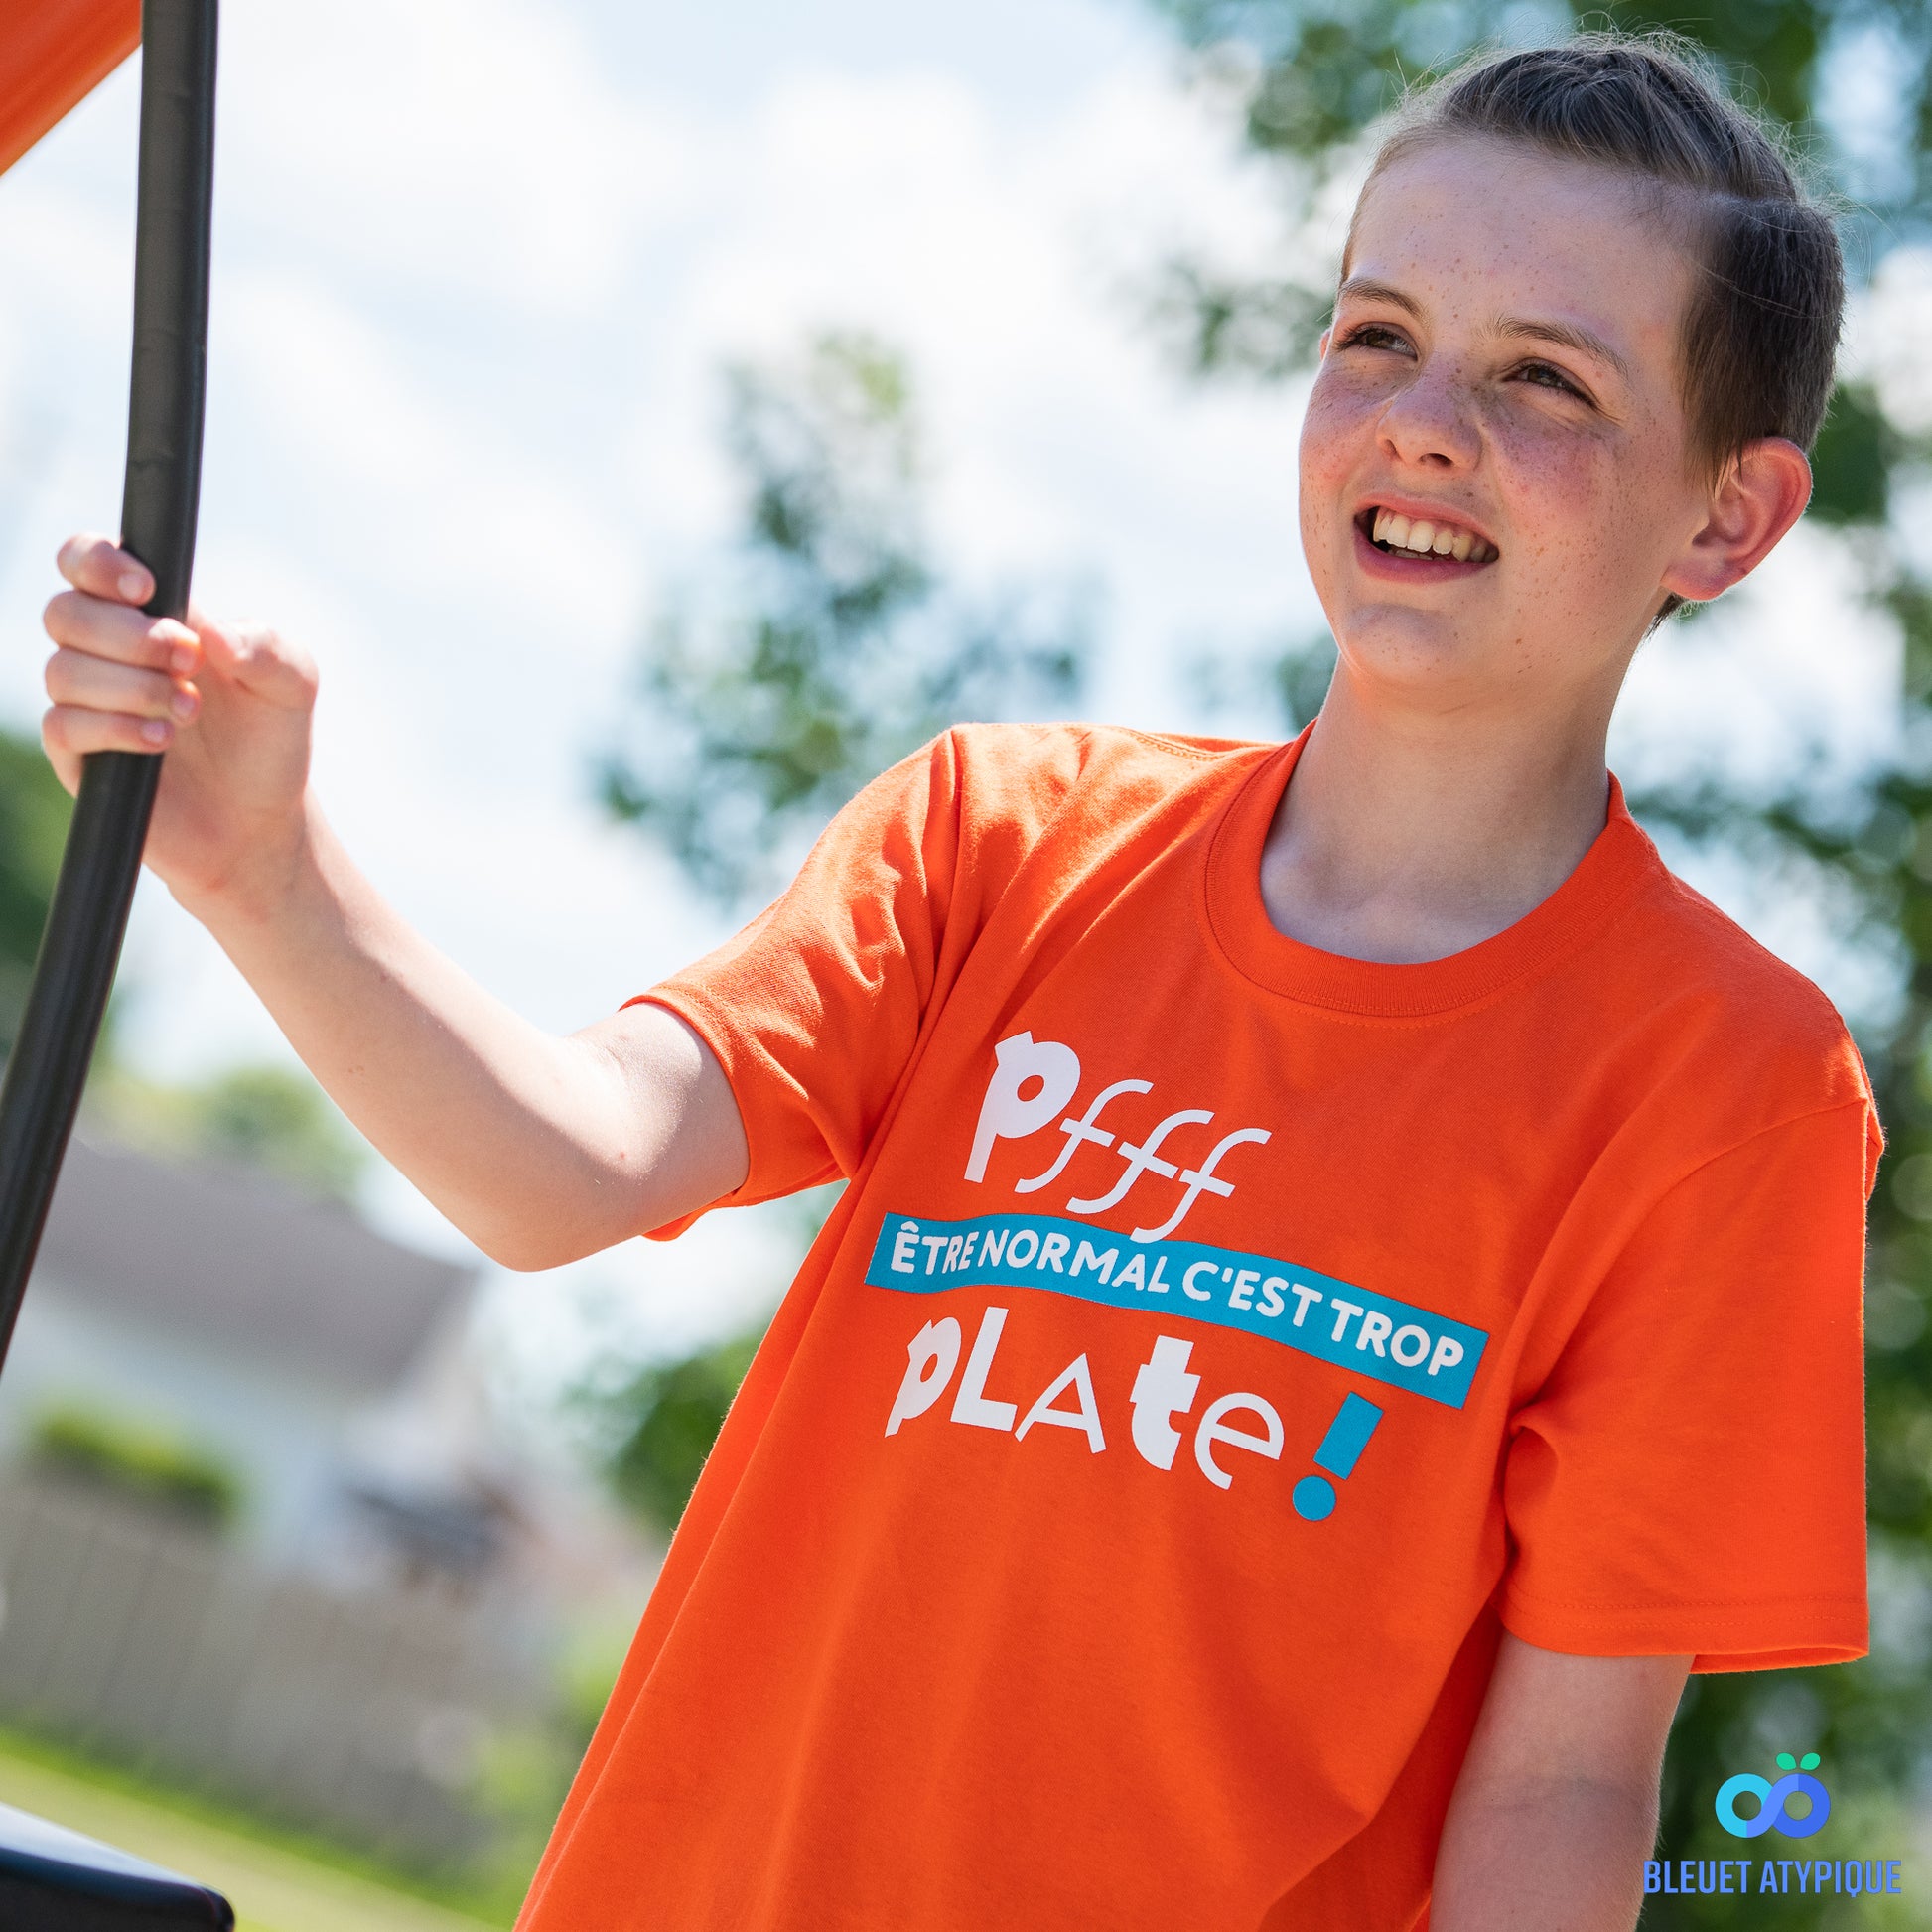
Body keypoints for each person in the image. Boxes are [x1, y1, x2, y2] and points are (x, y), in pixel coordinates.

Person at [37, 33, 1875, 1932]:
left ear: (1726, 516)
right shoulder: (999, 838)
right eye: (1374, 335)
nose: (1419, 421)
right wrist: (267, 875)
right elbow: (562, 1169)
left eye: (1542, 378)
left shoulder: (1725, 1087)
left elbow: (1564, 1784)